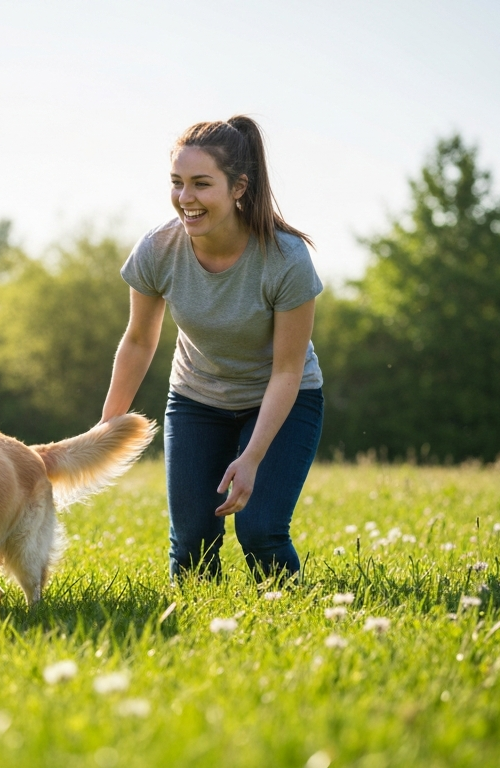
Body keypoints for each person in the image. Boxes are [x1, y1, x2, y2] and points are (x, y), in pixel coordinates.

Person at [100, 115, 325, 581]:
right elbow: (139, 341)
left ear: (238, 187)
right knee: (192, 546)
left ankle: (286, 609)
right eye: (177, 183)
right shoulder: (158, 249)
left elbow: (286, 371)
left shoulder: (286, 259)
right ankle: (202, 617)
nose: (186, 198)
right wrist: (105, 427)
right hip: (197, 399)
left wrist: (252, 457)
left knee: (260, 531)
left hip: (282, 398)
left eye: (201, 184)